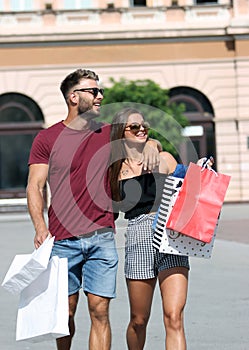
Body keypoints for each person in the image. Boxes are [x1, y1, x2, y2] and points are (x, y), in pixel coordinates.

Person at [26, 69, 160, 350]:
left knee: (100, 311)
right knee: (66, 313)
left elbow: (140, 135)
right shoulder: (47, 139)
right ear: (73, 97)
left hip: (102, 237)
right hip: (62, 240)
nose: (100, 96)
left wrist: (152, 144)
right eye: (93, 91)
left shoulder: (107, 132)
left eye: (101, 91)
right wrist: (40, 227)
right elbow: (35, 186)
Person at [109, 107, 190, 350]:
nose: (142, 129)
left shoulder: (164, 158)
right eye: (134, 127)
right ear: (121, 133)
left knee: (174, 317)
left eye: (145, 126)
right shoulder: (114, 168)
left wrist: (153, 147)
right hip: (138, 236)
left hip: (171, 236)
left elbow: (185, 194)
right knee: (139, 319)